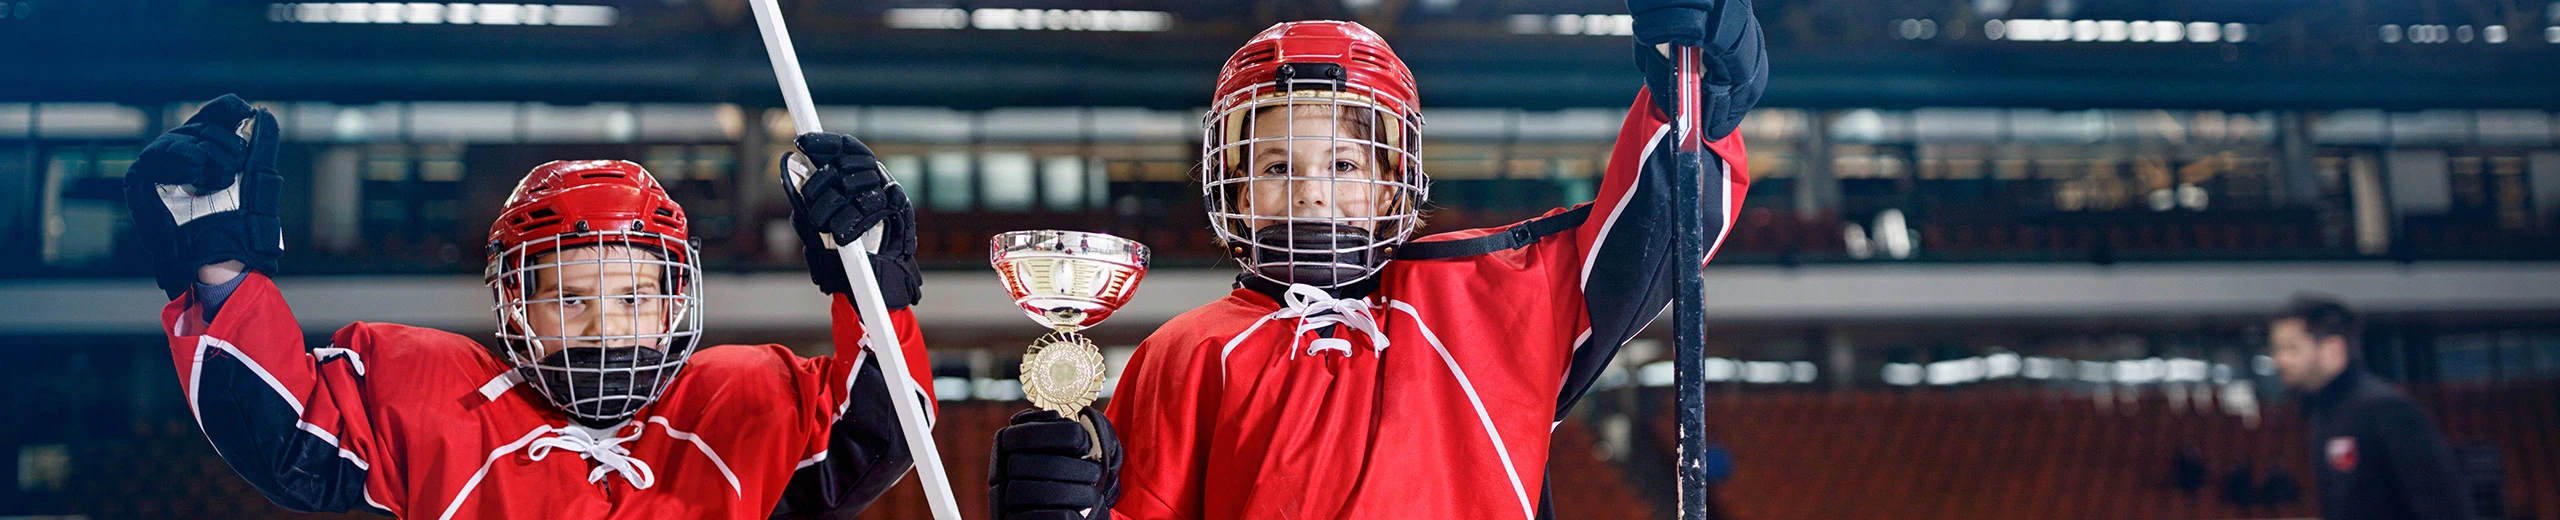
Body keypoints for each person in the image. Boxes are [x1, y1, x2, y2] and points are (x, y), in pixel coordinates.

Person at [981, 0, 1763, 517]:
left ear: (1396, 185)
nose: (1313, 194)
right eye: (1278, 166)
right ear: (1235, 189)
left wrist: (1701, 90)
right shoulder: (1182, 354)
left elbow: (1659, 232)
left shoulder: (1484, 301)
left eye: (1345, 165)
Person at [125, 94, 933, 518]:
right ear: (517, 306)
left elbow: (884, 429)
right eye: (570, 296)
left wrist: (872, 282)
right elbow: (282, 435)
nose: (604, 319)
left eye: (629, 294)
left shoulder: (740, 405)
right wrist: (219, 263)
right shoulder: (433, 395)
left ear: (671, 301)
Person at [2267, 294, 2471, 520]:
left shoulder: (2385, 408)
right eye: (2277, 350)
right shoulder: (2320, 413)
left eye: (2291, 349)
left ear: (2333, 348)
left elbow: (2444, 507)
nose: (2279, 360)